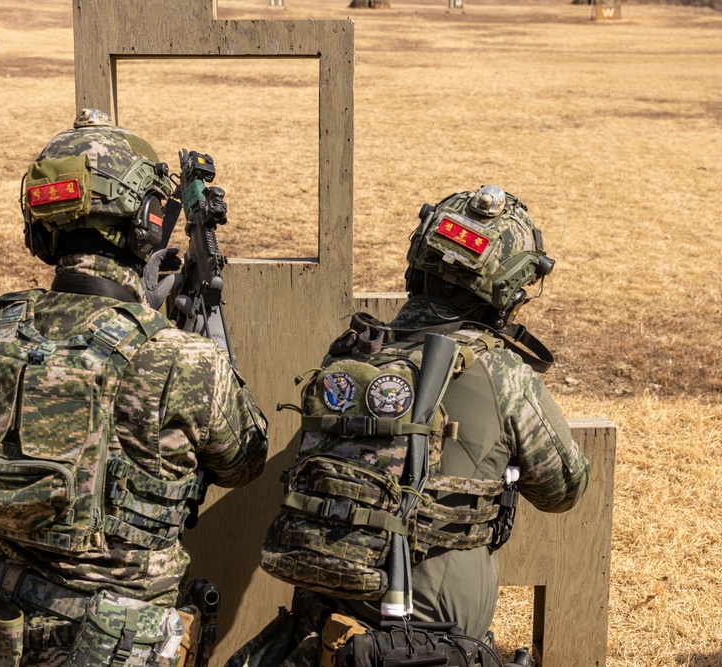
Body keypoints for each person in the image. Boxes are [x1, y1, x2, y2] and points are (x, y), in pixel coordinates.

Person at [0, 109, 268, 667]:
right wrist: (180, 333)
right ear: (149, 220)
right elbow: (245, 458)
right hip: (106, 642)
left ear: (41, 225)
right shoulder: (177, 358)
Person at [237, 185, 589, 667]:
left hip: (321, 628)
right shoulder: (501, 371)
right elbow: (564, 489)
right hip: (430, 642)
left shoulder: (351, 350)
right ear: (506, 293)